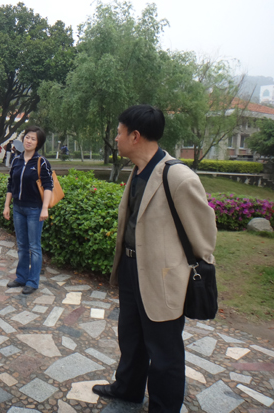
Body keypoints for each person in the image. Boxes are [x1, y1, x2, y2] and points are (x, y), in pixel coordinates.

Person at [92, 105, 216, 412]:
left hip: (163, 276)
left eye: (119, 133)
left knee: (164, 351)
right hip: (131, 268)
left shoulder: (178, 176)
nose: (116, 138)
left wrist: (189, 272)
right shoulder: (137, 171)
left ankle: (163, 407)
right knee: (130, 336)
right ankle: (128, 388)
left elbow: (204, 235)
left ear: (135, 136)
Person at [2, 126, 53, 295]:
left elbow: (48, 186)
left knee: (34, 246)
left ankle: (32, 281)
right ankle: (21, 277)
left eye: (33, 139)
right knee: (22, 245)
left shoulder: (41, 162)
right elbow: (11, 184)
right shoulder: (16, 160)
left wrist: (44, 208)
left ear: (38, 143)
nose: (29, 141)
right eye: (27, 137)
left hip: (34, 209)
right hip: (18, 208)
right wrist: (7, 205)